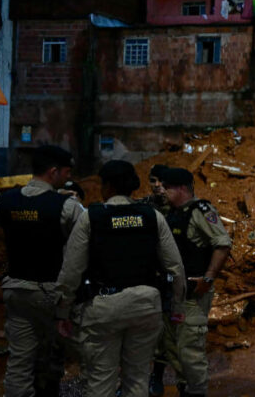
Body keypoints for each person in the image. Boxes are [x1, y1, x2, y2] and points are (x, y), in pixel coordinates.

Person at [55, 160, 186, 397]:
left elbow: (71, 270)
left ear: (107, 186)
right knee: (137, 379)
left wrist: (63, 311)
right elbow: (175, 267)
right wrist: (177, 307)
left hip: (103, 308)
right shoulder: (153, 216)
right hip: (146, 306)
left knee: (101, 380)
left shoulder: (91, 217)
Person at [0, 145, 82, 397]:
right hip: (53, 294)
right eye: (66, 173)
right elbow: (85, 242)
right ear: (53, 172)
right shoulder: (66, 206)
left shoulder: (6, 200)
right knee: (68, 352)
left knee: (19, 363)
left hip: (17, 291)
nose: (69, 178)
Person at [150, 167, 232, 397]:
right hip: (171, 293)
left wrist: (208, 277)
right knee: (172, 347)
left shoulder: (200, 211)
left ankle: (195, 391)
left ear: (182, 188)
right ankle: (185, 388)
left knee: (190, 351)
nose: (162, 190)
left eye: (167, 187)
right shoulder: (172, 212)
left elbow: (223, 243)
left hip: (192, 295)